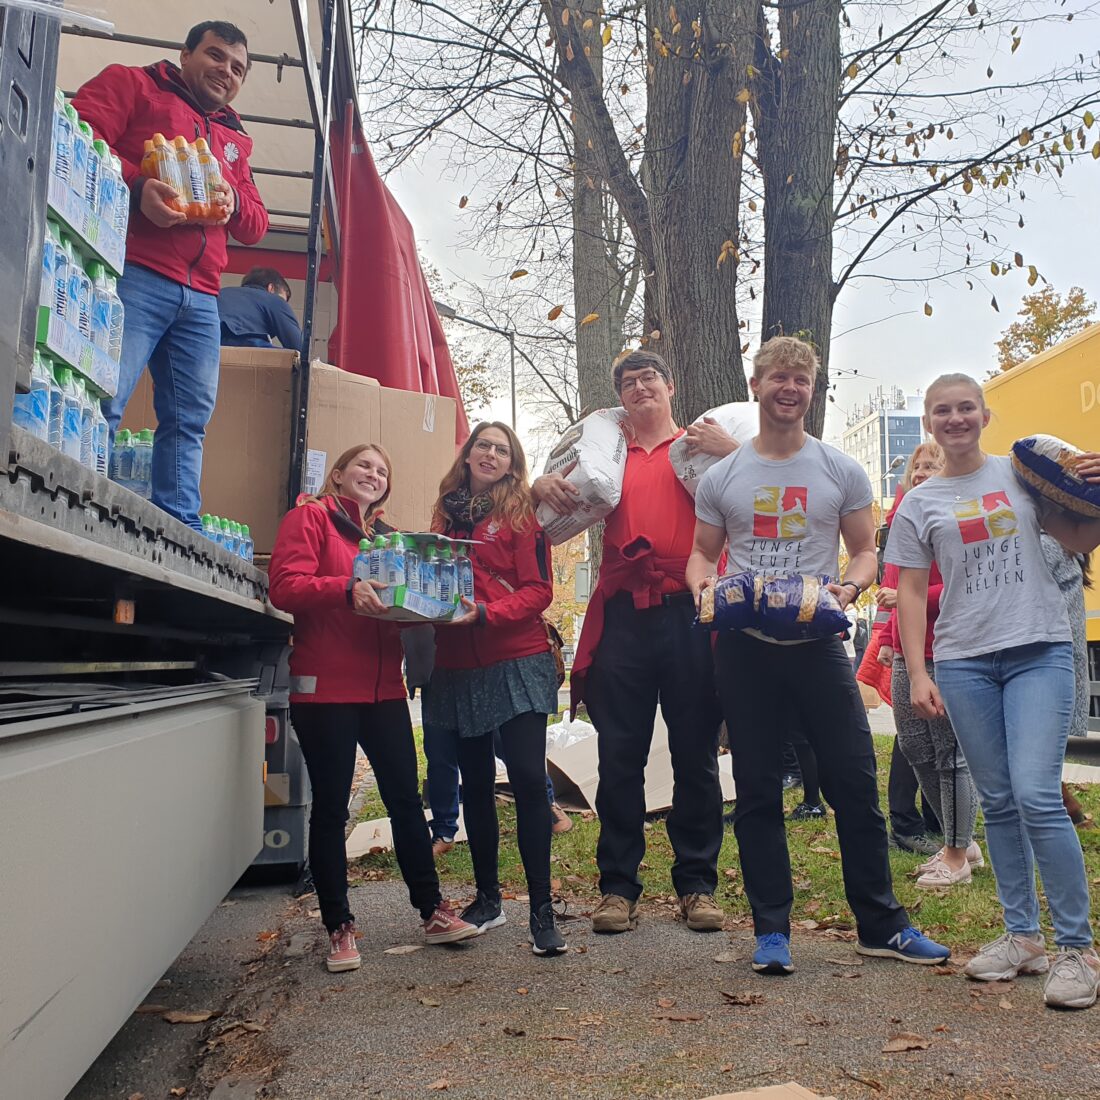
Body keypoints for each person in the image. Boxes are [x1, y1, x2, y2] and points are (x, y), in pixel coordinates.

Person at [686, 335, 950, 976]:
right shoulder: (722, 476)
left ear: (812, 390)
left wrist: (850, 585)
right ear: (757, 385)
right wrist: (701, 587)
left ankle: (881, 924)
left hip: (818, 647)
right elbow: (701, 553)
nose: (789, 388)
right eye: (777, 377)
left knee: (855, 785)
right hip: (746, 650)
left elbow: (865, 550)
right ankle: (771, 931)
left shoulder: (839, 470)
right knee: (755, 793)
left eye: (800, 379)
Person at [889, 372, 1100, 1009]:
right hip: (962, 662)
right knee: (1000, 801)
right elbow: (907, 590)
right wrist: (920, 671)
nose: (953, 419)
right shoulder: (920, 502)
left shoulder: (1022, 475)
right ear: (928, 423)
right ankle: (1022, 936)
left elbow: (1082, 538)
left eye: (964, 409)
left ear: (984, 415)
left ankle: (1077, 949)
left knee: (1037, 795)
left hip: (1037, 649)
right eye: (940, 411)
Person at [534, 351, 733, 935]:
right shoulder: (607, 455)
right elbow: (543, 511)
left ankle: (697, 885)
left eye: (649, 378)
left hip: (692, 610)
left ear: (670, 387)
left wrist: (733, 454)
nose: (640, 387)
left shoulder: (701, 451)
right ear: (619, 396)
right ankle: (618, 889)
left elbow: (767, 491)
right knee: (619, 755)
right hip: (624, 613)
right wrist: (539, 482)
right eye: (627, 381)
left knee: (694, 754)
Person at [268, 444, 477, 972]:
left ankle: (432, 912)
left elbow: (401, 606)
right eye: (364, 465)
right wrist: (345, 588)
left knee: (407, 802)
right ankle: (339, 926)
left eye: (382, 470)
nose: (373, 474)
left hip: (384, 691)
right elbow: (285, 587)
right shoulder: (309, 518)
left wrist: (441, 611)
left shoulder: (387, 540)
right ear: (338, 474)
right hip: (326, 691)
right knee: (333, 808)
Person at [72, 21, 269, 529]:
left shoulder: (235, 135)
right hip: (134, 272)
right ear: (184, 54)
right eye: (216, 56)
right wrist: (139, 187)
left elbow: (255, 223)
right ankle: (70, 495)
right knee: (102, 393)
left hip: (203, 296)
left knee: (189, 421)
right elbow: (77, 133)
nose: (226, 71)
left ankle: (178, 524)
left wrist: (230, 197)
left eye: (237, 68)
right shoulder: (133, 84)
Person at [423, 422, 566, 956]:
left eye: (501, 449)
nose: (490, 453)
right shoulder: (444, 514)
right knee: (475, 783)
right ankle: (488, 900)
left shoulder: (521, 514)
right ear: (467, 454)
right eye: (483, 444)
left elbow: (539, 591)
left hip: (515, 656)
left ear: (512, 463)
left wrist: (486, 613)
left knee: (529, 779)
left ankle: (541, 913)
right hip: (456, 665)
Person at [878, 442, 982, 888]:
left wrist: (906, 600)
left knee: (950, 753)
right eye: (917, 467)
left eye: (931, 465)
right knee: (915, 747)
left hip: (948, 649)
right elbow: (900, 585)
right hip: (907, 649)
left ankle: (956, 854)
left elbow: (967, 583)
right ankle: (963, 843)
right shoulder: (908, 517)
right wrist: (886, 639)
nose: (921, 473)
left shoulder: (961, 516)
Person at [422, 725, 572, 859]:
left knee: (507, 743)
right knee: (439, 754)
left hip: (485, 697)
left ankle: (549, 804)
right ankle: (444, 832)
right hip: (438, 698)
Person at [1040, 535, 1093, 826]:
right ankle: (1063, 804)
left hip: (1048, 655)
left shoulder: (1048, 545)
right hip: (1058, 654)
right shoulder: (1064, 544)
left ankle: (1061, 806)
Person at [218, 266, 303, 350]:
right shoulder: (274, 300)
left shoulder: (222, 292)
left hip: (211, 339)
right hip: (243, 341)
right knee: (286, 358)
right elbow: (299, 346)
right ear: (271, 288)